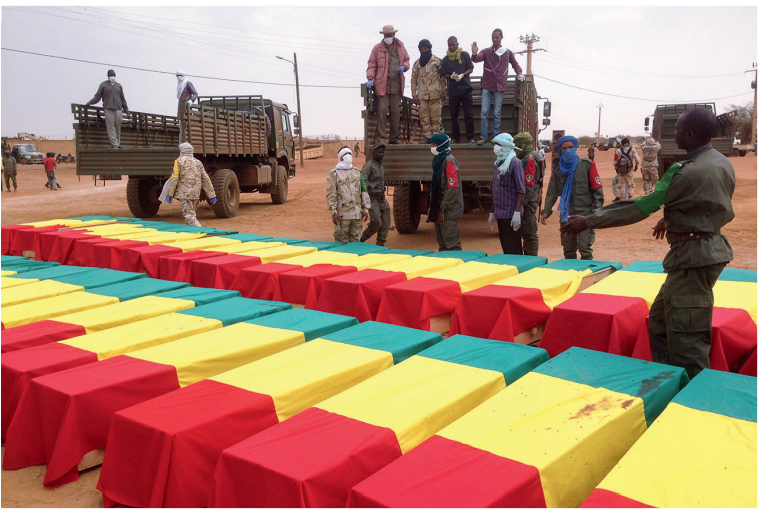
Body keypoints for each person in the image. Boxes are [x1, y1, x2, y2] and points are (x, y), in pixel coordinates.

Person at [560, 108, 735, 379]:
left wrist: (590, 221)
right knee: (661, 323)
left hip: (692, 259)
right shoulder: (721, 162)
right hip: (704, 251)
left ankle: (689, 400)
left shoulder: (683, 171)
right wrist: (676, 219)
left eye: (676, 129)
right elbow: (708, 201)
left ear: (689, 134)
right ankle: (667, 382)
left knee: (687, 339)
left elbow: (640, 206)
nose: (672, 134)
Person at [540, 135, 604, 259]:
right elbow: (552, 193)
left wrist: (596, 212)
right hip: (566, 215)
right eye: (564, 148)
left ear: (575, 147)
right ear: (559, 151)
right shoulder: (558, 170)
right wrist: (546, 210)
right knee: (568, 251)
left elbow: (597, 191)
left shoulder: (587, 165)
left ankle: (586, 275)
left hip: (586, 215)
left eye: (570, 147)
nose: (567, 150)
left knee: (585, 249)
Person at [471, 29, 523, 144]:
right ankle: (483, 137)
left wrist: (519, 74)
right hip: (487, 86)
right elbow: (476, 59)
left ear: (501, 38)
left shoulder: (507, 52)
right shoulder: (486, 52)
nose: (494, 40)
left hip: (499, 87)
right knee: (484, 112)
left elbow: (515, 65)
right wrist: (474, 53)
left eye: (496, 37)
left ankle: (495, 136)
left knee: (497, 112)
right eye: (493, 37)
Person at [366, 25, 410, 145]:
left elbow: (407, 60)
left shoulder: (400, 47)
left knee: (395, 113)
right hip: (382, 87)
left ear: (394, 35)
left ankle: (394, 138)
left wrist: (404, 67)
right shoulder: (377, 48)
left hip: (396, 86)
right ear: (383, 36)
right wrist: (370, 78)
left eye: (390, 35)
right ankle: (381, 139)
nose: (388, 37)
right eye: (386, 35)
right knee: (382, 112)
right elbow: (371, 65)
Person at [488, 134, 525, 254]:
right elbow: (496, 189)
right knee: (506, 247)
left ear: (506, 146)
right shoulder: (499, 163)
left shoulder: (515, 163)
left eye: (498, 145)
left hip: (511, 213)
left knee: (514, 247)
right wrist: (492, 212)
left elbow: (521, 189)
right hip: (501, 213)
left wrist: (517, 213)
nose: (495, 147)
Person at [164, 142, 217, 227]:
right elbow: (205, 179)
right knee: (190, 216)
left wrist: (170, 193)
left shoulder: (178, 162)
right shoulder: (198, 162)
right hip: (195, 194)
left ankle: (201, 231)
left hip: (184, 195)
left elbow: (174, 178)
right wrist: (212, 195)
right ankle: (190, 234)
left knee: (190, 217)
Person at [327, 147, 370, 243]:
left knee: (356, 243)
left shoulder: (358, 172)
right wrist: (334, 212)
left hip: (357, 215)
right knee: (341, 242)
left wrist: (366, 208)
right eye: (346, 154)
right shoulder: (333, 174)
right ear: (341, 157)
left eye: (350, 154)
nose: (348, 156)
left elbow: (363, 191)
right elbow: (331, 194)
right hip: (342, 216)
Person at [428, 133, 463, 251]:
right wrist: (433, 206)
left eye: (434, 144)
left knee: (451, 244)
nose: (431, 147)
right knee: (442, 244)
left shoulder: (449, 161)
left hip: (448, 209)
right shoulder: (439, 160)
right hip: (439, 206)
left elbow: (453, 188)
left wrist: (443, 208)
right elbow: (436, 187)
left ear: (441, 145)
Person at [440, 36, 475, 144]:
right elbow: (443, 74)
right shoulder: (445, 59)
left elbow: (471, 68)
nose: (451, 47)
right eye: (449, 45)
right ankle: (456, 138)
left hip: (466, 89)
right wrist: (451, 77)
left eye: (453, 45)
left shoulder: (464, 55)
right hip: (453, 91)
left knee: (468, 114)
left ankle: (470, 138)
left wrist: (463, 75)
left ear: (457, 44)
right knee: (453, 116)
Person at [411, 39, 447, 144]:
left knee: (436, 118)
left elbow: (443, 77)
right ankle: (428, 137)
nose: (424, 51)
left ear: (430, 48)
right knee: (424, 117)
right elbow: (413, 79)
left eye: (426, 49)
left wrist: (443, 91)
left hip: (435, 94)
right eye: (422, 49)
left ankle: (436, 138)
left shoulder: (437, 61)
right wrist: (414, 94)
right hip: (422, 95)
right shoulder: (417, 64)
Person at [514, 131, 544, 256]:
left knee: (530, 233)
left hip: (529, 202)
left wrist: (521, 204)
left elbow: (529, 184)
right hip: (531, 200)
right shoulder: (533, 155)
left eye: (517, 144)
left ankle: (531, 259)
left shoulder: (530, 159)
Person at [85, 69, 129, 149]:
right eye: (111, 75)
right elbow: (97, 97)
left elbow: (122, 98)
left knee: (118, 127)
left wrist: (126, 109)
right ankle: (114, 144)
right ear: (108, 76)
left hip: (118, 109)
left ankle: (117, 143)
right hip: (108, 108)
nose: (112, 77)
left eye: (114, 75)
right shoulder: (103, 85)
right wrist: (90, 102)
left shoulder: (119, 86)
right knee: (110, 127)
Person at [360, 142, 391, 246]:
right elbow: (362, 181)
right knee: (376, 222)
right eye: (379, 152)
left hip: (382, 199)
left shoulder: (381, 166)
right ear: (373, 153)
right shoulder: (368, 166)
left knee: (386, 223)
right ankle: (360, 239)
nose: (381, 154)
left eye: (383, 152)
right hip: (372, 199)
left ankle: (380, 244)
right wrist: (370, 185)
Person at [176, 69, 199, 144]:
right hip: (181, 106)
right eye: (177, 76)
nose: (179, 77)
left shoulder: (188, 83)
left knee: (186, 123)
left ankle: (186, 142)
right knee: (180, 125)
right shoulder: (179, 85)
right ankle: (181, 143)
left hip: (187, 107)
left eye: (180, 75)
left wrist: (191, 100)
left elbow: (195, 93)